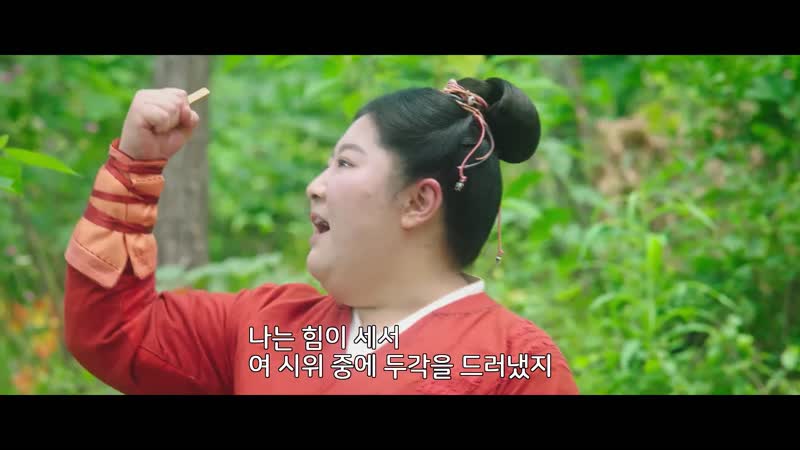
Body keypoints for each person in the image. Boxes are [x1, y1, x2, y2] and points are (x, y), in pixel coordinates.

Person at [62, 76, 580, 395]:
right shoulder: (266, 328)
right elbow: (115, 334)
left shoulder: (513, 365)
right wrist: (135, 165)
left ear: (418, 202)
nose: (315, 186)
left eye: (345, 164)